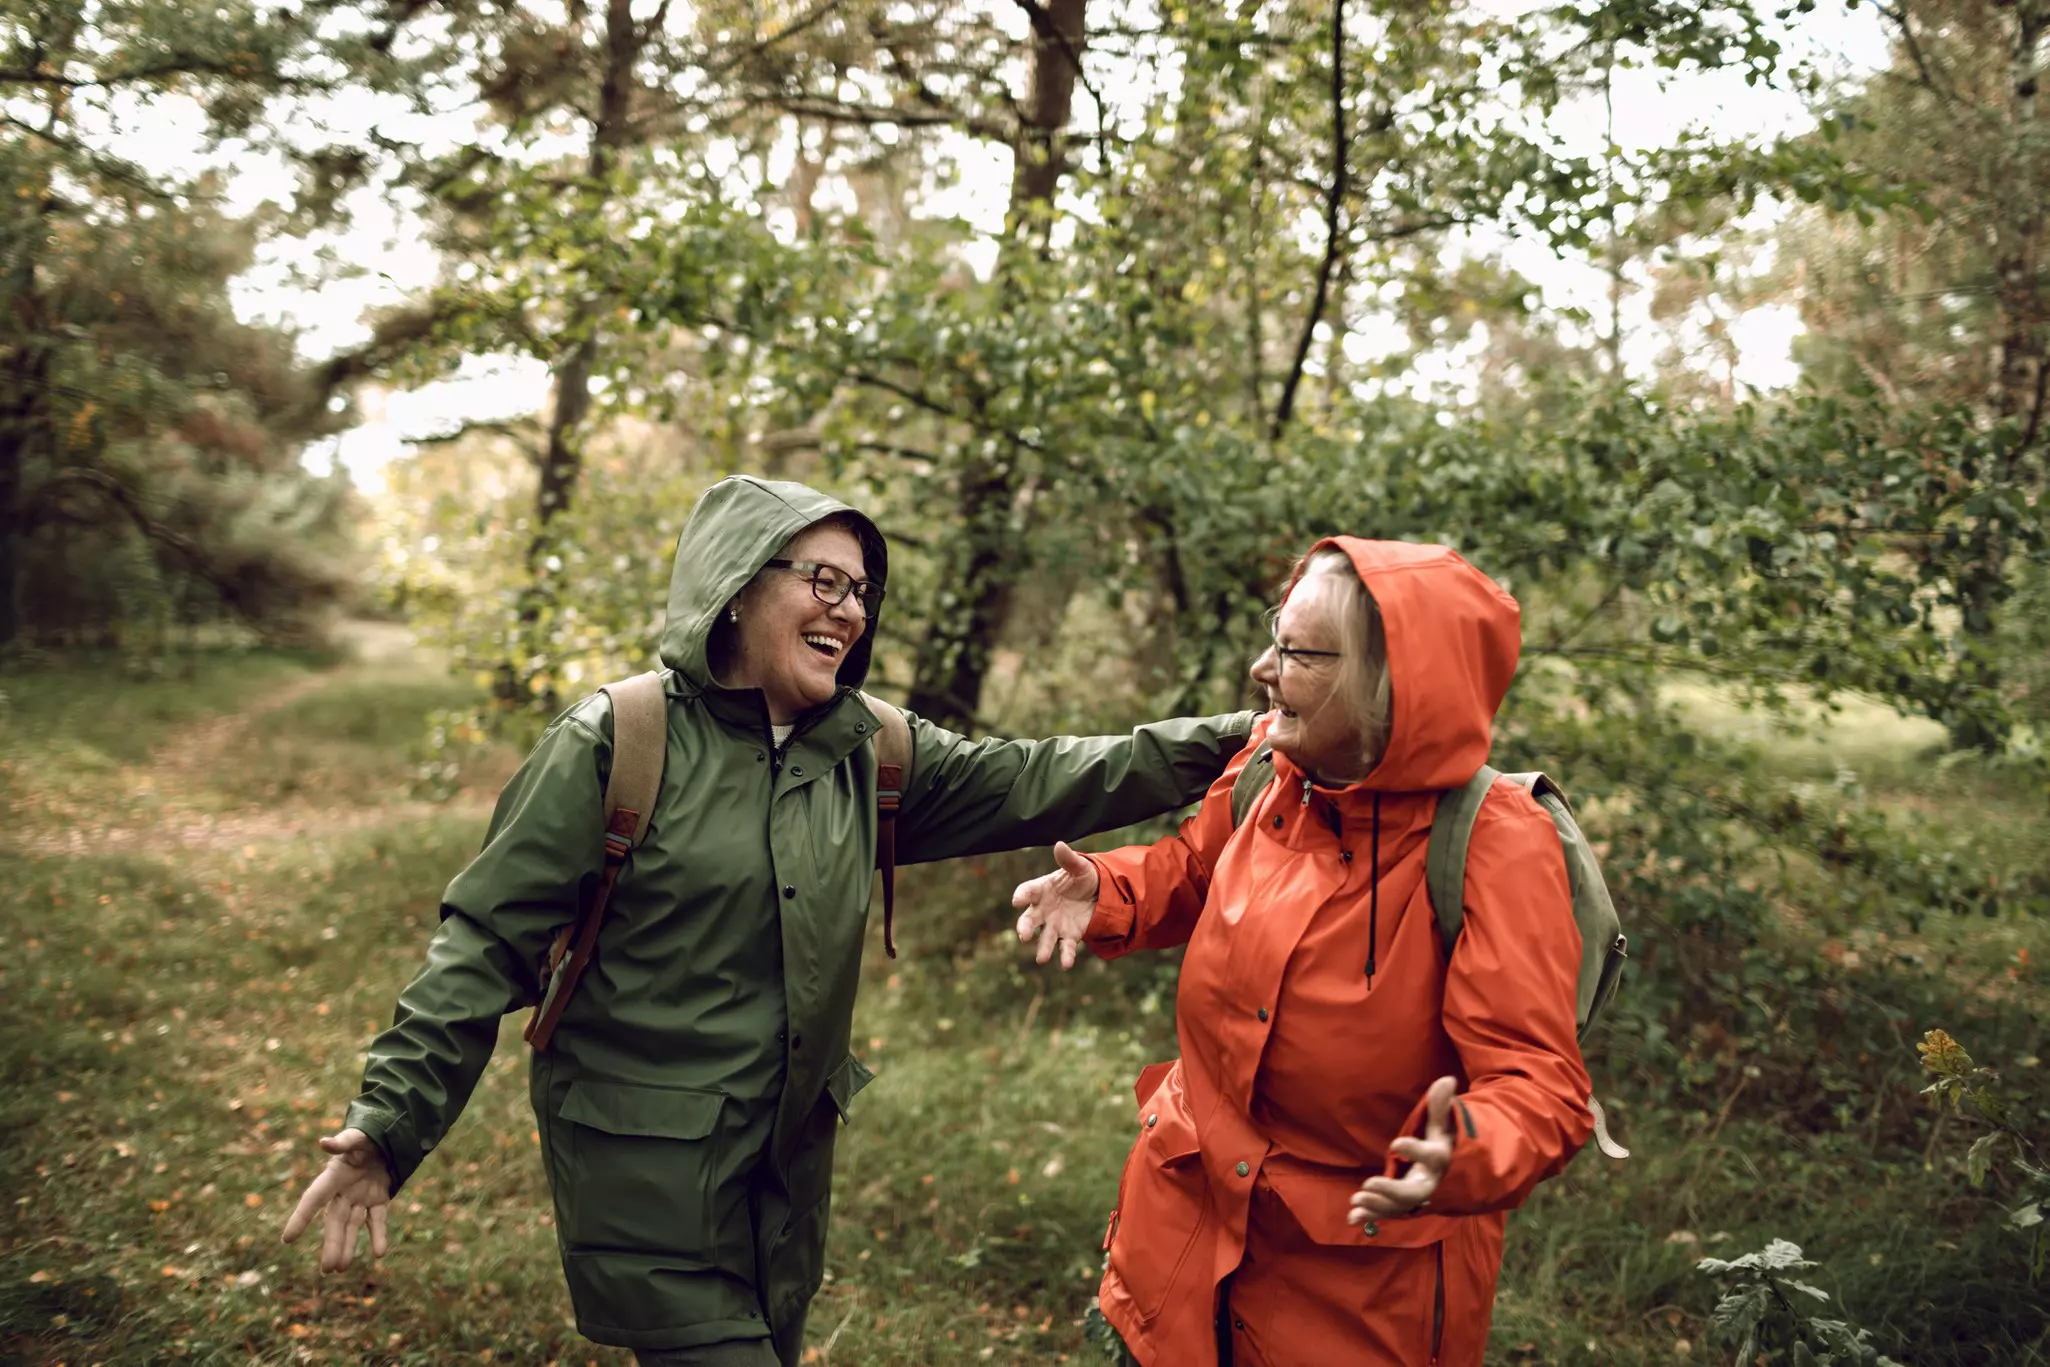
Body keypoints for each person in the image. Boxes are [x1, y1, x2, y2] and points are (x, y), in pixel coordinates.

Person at [280, 475, 1254, 1366]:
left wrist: (1244, 739)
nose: (849, 608)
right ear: (738, 587)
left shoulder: (871, 751)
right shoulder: (618, 740)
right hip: (644, 1174)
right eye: (823, 579)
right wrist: (389, 1124)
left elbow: (1047, 774)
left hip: (783, 1186)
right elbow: (483, 943)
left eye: (862, 590)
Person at [1012, 538, 1591, 1367]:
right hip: (1176, 1248)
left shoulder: (1494, 842)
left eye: (1296, 652)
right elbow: (1196, 868)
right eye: (1272, 638)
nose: (1261, 668)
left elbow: (1542, 1087)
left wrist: (1464, 1148)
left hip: (1353, 1301)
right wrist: (1108, 888)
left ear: (1393, 682)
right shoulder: (1271, 766)